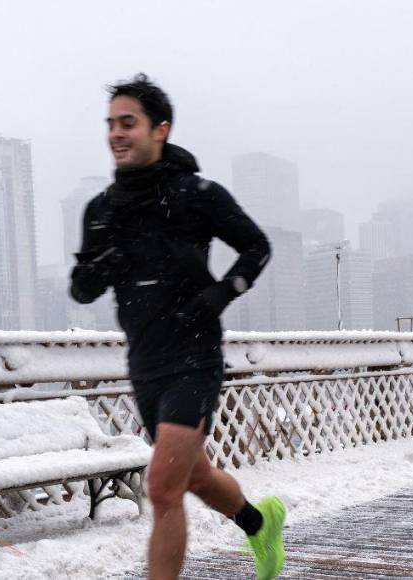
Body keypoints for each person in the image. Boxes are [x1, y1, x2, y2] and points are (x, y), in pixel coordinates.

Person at [69, 73, 285, 580]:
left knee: (163, 488)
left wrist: (218, 295)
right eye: (111, 124)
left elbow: (256, 247)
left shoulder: (195, 194)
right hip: (144, 362)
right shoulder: (101, 210)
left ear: (160, 129)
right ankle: (260, 523)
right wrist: (102, 264)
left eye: (128, 123)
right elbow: (81, 289)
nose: (116, 134)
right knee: (196, 477)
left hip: (194, 356)